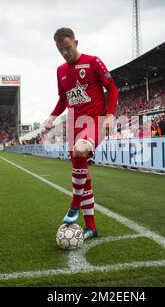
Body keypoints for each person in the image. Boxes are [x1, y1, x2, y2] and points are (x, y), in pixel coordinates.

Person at [43, 27, 119, 240]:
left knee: (80, 150)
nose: (65, 53)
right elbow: (63, 99)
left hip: (95, 121)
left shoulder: (93, 62)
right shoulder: (60, 71)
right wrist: (51, 117)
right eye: (60, 50)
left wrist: (111, 114)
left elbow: (112, 88)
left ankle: (74, 204)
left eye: (67, 48)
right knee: (84, 178)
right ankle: (91, 228)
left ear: (76, 42)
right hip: (74, 125)